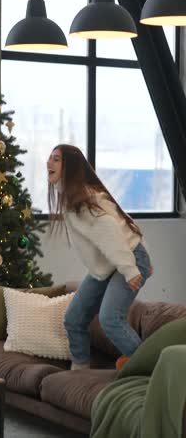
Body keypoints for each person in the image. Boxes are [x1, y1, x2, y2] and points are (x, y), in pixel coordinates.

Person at [47, 144, 152, 371]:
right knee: (74, 317)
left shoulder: (82, 199)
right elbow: (122, 221)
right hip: (109, 263)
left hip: (128, 259)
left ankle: (151, 368)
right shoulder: (71, 196)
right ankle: (80, 371)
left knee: (110, 319)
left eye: (56, 159)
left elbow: (110, 231)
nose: (49, 163)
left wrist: (130, 268)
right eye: (50, 158)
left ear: (70, 167)